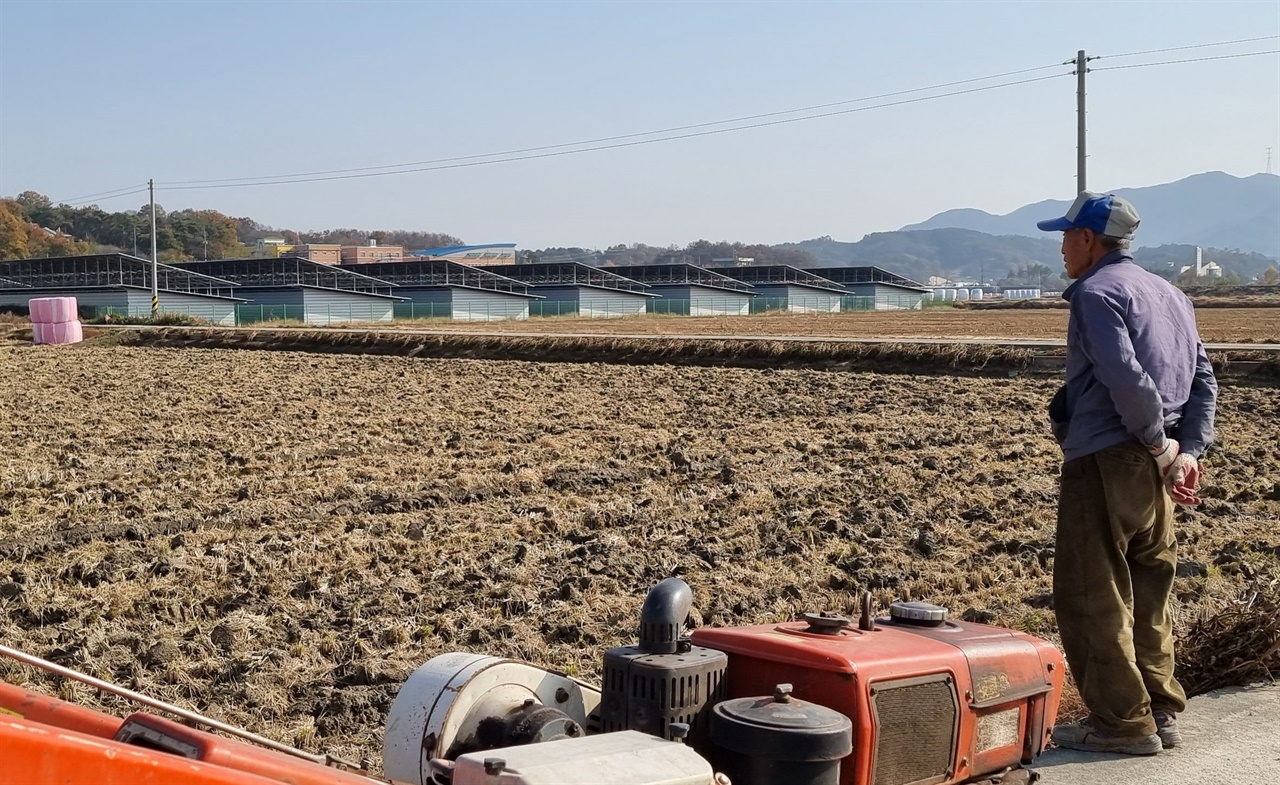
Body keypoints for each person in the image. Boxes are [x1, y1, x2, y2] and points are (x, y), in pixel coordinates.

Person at [1037, 192, 1217, 755]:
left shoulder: (1095, 293)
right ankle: (1159, 708)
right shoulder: (1172, 295)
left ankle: (1120, 724)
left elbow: (1127, 378)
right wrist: (1187, 451)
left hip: (1109, 457)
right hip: (1157, 470)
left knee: (1094, 593)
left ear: (1088, 239)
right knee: (1149, 587)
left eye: (1066, 236)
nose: (1063, 247)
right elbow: (1204, 379)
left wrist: (1160, 444)